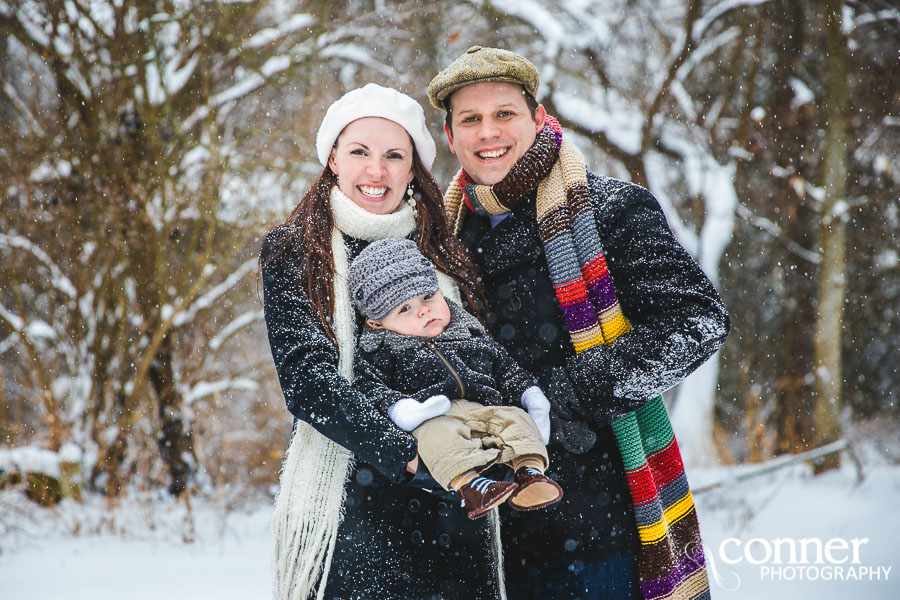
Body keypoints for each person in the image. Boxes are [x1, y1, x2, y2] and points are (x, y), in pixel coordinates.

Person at [427, 47, 731, 600]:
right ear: (451, 137)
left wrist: (569, 393)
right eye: (470, 119)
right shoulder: (439, 241)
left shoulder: (611, 210)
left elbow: (698, 319)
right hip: (478, 527)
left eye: (504, 114)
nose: (488, 132)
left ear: (539, 118)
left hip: (592, 520)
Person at [260, 83, 503, 599]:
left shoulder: (442, 248)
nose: (377, 170)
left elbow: (480, 357)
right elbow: (307, 382)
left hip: (460, 504)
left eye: (395, 155)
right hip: (355, 504)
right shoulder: (298, 249)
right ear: (331, 159)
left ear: (413, 169)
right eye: (359, 152)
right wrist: (411, 458)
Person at [348, 237, 564, 520]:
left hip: (486, 409)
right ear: (376, 322)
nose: (424, 310)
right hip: (435, 417)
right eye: (404, 308)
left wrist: (529, 393)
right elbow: (367, 387)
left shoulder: (467, 330)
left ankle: (530, 472)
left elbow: (503, 366)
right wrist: (403, 409)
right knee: (436, 439)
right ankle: (471, 486)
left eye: (428, 297)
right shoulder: (381, 350)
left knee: (517, 420)